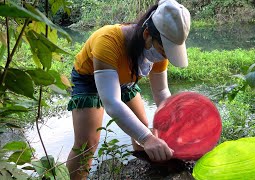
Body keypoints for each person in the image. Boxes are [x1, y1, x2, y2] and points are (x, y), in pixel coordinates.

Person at [66, 0, 191, 179]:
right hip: (89, 80)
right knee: (87, 144)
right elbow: (112, 102)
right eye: (164, 51)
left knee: (141, 126)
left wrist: (174, 121)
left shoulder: (161, 49)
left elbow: (161, 92)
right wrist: (147, 139)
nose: (165, 56)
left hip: (125, 78)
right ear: (147, 34)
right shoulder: (108, 40)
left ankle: (147, 171)